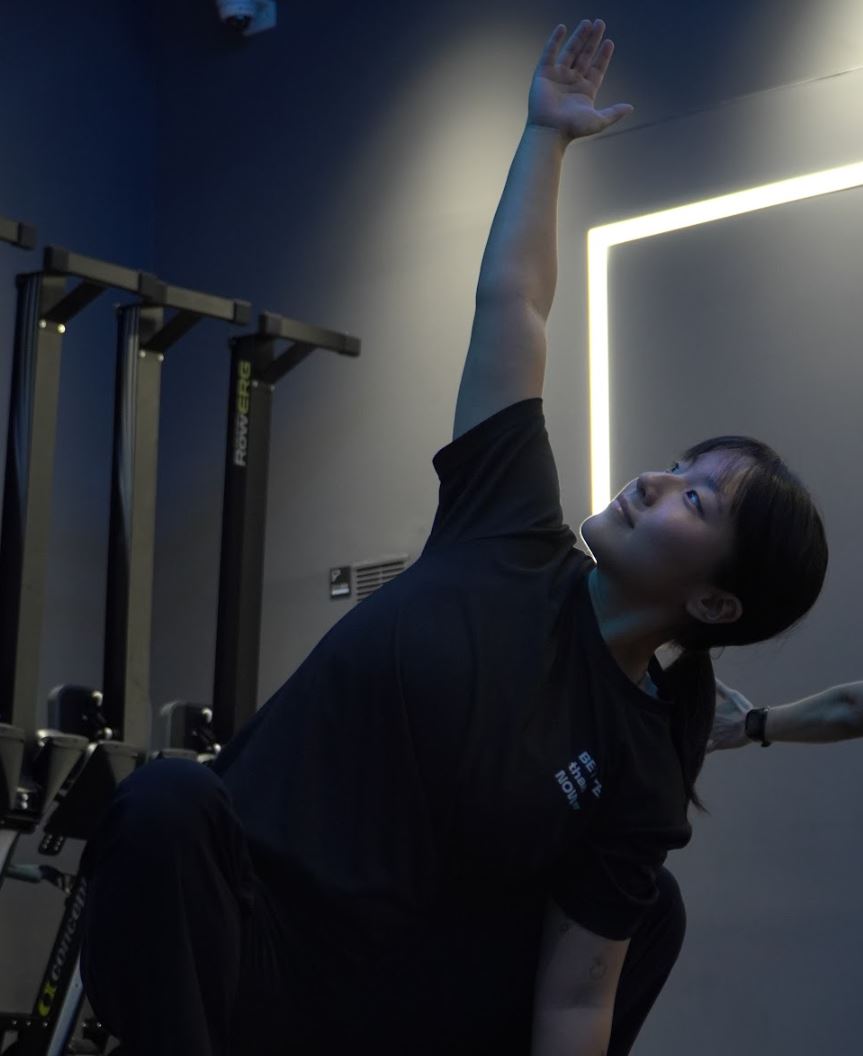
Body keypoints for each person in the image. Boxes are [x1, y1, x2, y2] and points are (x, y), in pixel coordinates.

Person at [77, 17, 837, 1056]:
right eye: (678, 465)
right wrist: (545, 137)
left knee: (646, 913)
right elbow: (514, 305)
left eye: (694, 502)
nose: (655, 480)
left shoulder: (638, 764)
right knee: (164, 803)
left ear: (712, 601)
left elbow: (572, 1003)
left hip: (377, 1003)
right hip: (242, 936)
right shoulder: (507, 521)